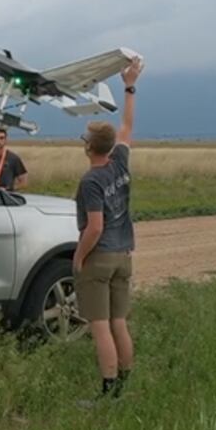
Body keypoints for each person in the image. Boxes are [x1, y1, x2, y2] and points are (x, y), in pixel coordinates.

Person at [73, 56, 143, 405]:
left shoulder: (91, 181)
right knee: (119, 322)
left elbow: (94, 226)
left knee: (99, 325)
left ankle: (108, 389)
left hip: (100, 258)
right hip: (124, 256)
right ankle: (126, 385)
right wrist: (129, 85)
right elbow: (127, 126)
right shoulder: (120, 162)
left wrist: (79, 256)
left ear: (88, 147)